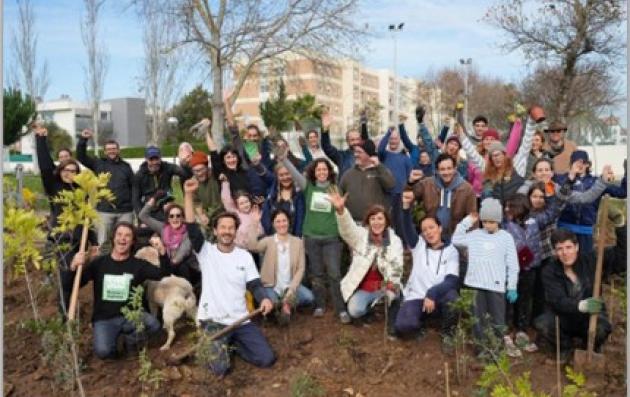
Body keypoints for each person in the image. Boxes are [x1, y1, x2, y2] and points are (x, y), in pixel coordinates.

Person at [183, 178, 275, 376]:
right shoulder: (205, 251)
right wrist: (188, 195)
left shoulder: (244, 256)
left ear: (235, 231)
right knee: (220, 369)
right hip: (213, 321)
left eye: (231, 228)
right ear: (215, 231)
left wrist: (265, 298)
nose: (227, 231)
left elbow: (255, 285)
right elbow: (191, 227)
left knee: (266, 359)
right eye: (222, 228)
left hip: (241, 320)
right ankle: (217, 345)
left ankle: (232, 345)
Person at [69, 222, 173, 359]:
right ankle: (115, 341)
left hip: (131, 315)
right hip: (104, 319)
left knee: (153, 325)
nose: (122, 238)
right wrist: (73, 266)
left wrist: (162, 252)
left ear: (132, 241)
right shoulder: (99, 264)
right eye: (119, 234)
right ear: (113, 238)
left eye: (127, 236)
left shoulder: (138, 265)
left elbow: (162, 273)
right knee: (103, 351)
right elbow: (74, 283)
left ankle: (130, 340)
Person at [534, 227, 625, 362]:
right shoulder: (550, 271)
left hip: (590, 318)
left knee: (602, 328)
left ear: (577, 247)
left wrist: (620, 225)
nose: (565, 253)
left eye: (568, 247)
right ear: (555, 252)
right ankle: (565, 347)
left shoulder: (592, 260)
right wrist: (581, 305)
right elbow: (557, 300)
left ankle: (590, 346)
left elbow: (622, 257)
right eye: (560, 249)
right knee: (542, 323)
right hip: (563, 318)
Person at [278, 149, 350, 323]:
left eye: (325, 169)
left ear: (329, 172)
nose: (322, 172)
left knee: (334, 273)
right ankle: (320, 305)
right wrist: (284, 159)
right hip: (311, 237)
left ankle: (340, 308)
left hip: (332, 237)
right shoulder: (308, 187)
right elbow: (294, 174)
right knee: (316, 274)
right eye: (318, 170)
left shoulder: (335, 189)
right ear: (314, 172)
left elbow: (341, 211)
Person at [328, 190, 403, 335]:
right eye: (373, 219)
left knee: (396, 295)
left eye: (380, 218)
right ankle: (370, 310)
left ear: (386, 221)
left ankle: (392, 324)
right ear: (368, 221)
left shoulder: (394, 241)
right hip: (365, 289)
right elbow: (348, 229)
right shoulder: (361, 236)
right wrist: (341, 210)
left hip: (383, 286)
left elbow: (397, 266)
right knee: (355, 311)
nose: (376, 222)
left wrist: (391, 287)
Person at [451, 199, 520, 357]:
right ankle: (481, 350)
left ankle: (497, 350)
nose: (488, 225)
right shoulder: (474, 235)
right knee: (478, 319)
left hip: (496, 286)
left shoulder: (506, 238)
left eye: (492, 222)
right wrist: (467, 222)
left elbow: (512, 264)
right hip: (475, 284)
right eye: (485, 221)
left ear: (498, 221)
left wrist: (512, 286)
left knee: (497, 320)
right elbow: (456, 240)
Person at [395, 191, 459, 351]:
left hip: (437, 298)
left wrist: (432, 293)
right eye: (424, 230)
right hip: (417, 296)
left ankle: (448, 334)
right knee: (403, 326)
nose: (429, 232)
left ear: (440, 228)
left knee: (452, 297)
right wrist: (405, 207)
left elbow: (451, 280)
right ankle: (420, 323)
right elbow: (407, 227)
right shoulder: (419, 246)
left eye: (432, 227)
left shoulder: (451, 251)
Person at [245, 209, 314, 324]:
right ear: (273, 224)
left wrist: (292, 289)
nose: (281, 224)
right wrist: (254, 224)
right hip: (271, 286)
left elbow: (301, 268)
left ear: (289, 222)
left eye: (284, 221)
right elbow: (252, 247)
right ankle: (281, 307)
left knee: (309, 297)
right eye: (278, 221)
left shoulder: (297, 242)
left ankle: (286, 304)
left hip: (289, 285)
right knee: (274, 302)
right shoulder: (268, 241)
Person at [554, 151, 626, 254]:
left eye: (583, 162)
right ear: (571, 164)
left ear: (588, 164)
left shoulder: (597, 181)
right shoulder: (561, 179)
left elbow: (622, 192)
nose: (580, 165)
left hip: (585, 231)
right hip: (564, 229)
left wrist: (627, 173)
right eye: (576, 162)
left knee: (585, 262)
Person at [77, 129, 135, 246]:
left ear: (118, 150)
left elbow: (133, 187)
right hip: (104, 211)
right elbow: (81, 157)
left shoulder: (126, 167)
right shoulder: (98, 164)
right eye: (109, 149)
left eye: (114, 149)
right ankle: (103, 263)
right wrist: (83, 140)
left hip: (125, 212)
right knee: (103, 243)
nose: (111, 151)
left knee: (126, 242)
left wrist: (133, 207)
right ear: (105, 151)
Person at [407, 153, 477, 240]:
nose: (446, 172)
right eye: (442, 169)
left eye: (449, 168)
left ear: (455, 169)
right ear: (437, 170)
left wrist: (472, 242)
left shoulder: (467, 189)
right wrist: (410, 183)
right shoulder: (427, 184)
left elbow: (472, 217)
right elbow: (407, 198)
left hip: (456, 238)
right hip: (432, 236)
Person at [138, 197, 197, 283]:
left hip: (186, 266)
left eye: (178, 216)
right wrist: (154, 199)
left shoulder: (188, 232)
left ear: (183, 218)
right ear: (168, 219)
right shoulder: (163, 228)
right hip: (168, 263)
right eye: (171, 216)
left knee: (182, 268)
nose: (175, 218)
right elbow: (142, 216)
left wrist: (165, 267)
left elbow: (182, 253)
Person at [339, 139, 396, 222]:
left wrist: (379, 166)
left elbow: (391, 185)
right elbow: (340, 194)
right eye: (355, 152)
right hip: (353, 223)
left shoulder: (380, 171)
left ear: (368, 154)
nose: (355, 155)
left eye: (359, 152)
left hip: (374, 223)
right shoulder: (348, 174)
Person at [132, 146, 192, 222]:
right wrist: (141, 219)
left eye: (156, 159)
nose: (154, 162)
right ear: (146, 159)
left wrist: (185, 164)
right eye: (151, 159)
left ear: (160, 158)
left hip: (167, 206)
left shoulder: (168, 167)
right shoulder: (139, 175)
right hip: (150, 210)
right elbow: (135, 200)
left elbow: (185, 174)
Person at [206, 133, 271, 201]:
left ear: (238, 158)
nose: (231, 160)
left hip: (250, 207)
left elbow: (254, 191)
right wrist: (206, 132)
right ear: (223, 160)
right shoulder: (222, 174)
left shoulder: (245, 172)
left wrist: (259, 199)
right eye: (228, 157)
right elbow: (213, 153)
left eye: (234, 156)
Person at [377, 126, 413, 244]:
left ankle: (402, 246)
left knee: (400, 222)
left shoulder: (405, 158)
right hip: (386, 194)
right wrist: (388, 133)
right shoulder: (384, 155)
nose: (393, 141)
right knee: (386, 221)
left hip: (400, 195)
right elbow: (380, 148)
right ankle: (385, 245)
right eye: (391, 139)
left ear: (399, 140)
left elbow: (410, 176)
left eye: (395, 139)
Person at [415, 105, 467, 179]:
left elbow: (463, 180)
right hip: (437, 188)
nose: (453, 146)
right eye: (451, 143)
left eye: (456, 145)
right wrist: (421, 123)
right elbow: (429, 142)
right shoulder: (437, 157)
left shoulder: (462, 163)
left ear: (458, 148)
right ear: (447, 145)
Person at [320, 109, 370, 178]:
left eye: (357, 139)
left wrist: (364, 123)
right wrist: (325, 129)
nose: (355, 142)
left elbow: (366, 141)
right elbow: (327, 147)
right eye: (352, 140)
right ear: (347, 141)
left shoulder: (367, 154)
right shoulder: (342, 156)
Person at [261, 161, 305, 237]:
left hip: (293, 239)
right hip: (273, 239)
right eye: (281, 175)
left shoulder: (299, 195)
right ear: (277, 177)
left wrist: (297, 239)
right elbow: (266, 218)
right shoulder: (271, 195)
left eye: (287, 174)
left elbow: (300, 220)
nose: (285, 177)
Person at [220, 180, 264, 248]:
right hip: (242, 248)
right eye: (241, 203)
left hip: (256, 246)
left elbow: (261, 230)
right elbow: (226, 199)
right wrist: (225, 183)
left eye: (246, 201)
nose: (245, 205)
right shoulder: (235, 213)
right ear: (237, 206)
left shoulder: (255, 211)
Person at [188, 150, 223, 233]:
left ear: (207, 167)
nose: (199, 173)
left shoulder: (216, 175)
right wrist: (201, 215)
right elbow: (196, 202)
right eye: (196, 171)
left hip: (224, 211)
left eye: (201, 169)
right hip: (208, 214)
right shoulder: (193, 182)